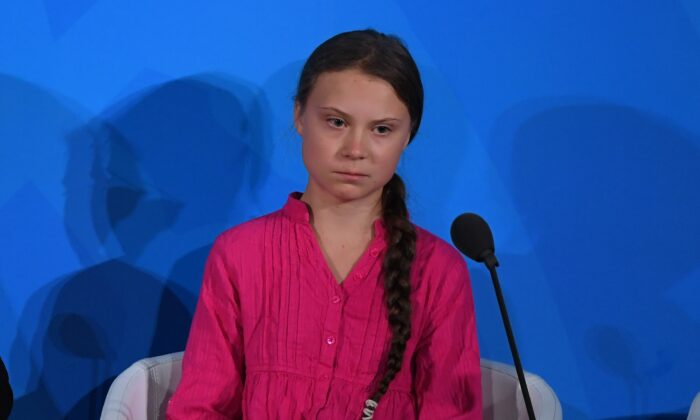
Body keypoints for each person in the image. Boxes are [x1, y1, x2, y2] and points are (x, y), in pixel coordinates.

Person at [166, 29, 481, 419]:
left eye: (381, 129)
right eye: (336, 122)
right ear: (299, 115)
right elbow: (200, 408)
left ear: (408, 135)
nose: (355, 150)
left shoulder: (438, 270)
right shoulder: (239, 254)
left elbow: (451, 412)